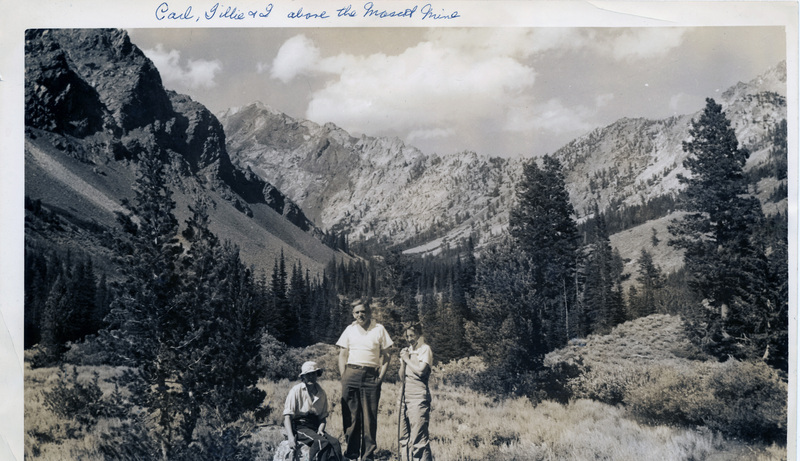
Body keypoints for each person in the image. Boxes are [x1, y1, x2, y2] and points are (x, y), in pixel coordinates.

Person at [336, 302, 394, 461]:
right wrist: (344, 376)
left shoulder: (379, 329)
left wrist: (380, 377)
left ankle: (367, 456)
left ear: (369, 312)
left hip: (370, 376)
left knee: (369, 418)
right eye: (357, 312)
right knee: (351, 416)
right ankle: (352, 454)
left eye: (363, 311)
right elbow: (342, 354)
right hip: (351, 374)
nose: (360, 315)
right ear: (353, 314)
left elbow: (387, 355)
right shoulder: (350, 329)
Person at [282, 361, 343, 461]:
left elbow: (322, 418)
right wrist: (290, 437)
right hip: (300, 426)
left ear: (317, 375)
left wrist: (320, 429)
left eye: (313, 374)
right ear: (303, 377)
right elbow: (287, 416)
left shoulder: (321, 393)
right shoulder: (296, 390)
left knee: (335, 442)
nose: (311, 377)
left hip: (315, 426)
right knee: (321, 442)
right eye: (308, 375)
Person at [397, 323, 434, 461]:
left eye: (412, 335)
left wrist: (407, 359)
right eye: (407, 336)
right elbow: (401, 377)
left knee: (418, 438)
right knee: (403, 437)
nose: (409, 339)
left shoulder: (425, 349)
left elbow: (421, 371)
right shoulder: (407, 351)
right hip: (403, 396)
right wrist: (403, 362)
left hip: (418, 396)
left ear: (419, 334)